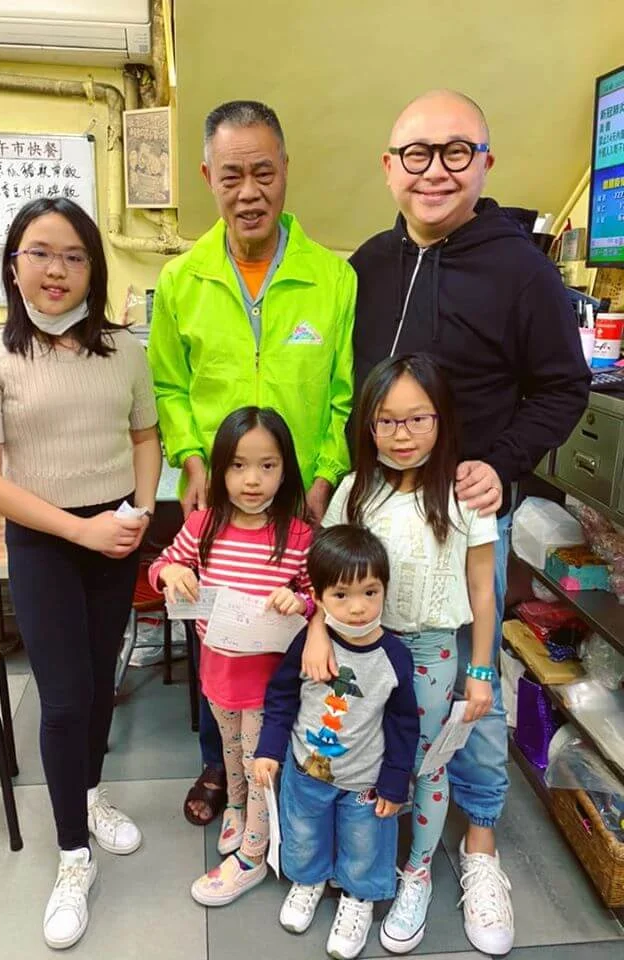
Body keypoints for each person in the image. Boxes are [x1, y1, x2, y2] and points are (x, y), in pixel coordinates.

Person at [314, 89, 592, 955]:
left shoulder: (521, 271)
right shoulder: (368, 264)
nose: (434, 170)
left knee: (473, 688)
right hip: (375, 522)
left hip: (466, 521)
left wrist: (498, 463)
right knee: (374, 672)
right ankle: (379, 823)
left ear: (485, 163)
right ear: (388, 167)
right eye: (416, 153)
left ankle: (478, 847)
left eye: (455, 151)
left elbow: (564, 387)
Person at [0, 197, 162, 950]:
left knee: (102, 681)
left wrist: (139, 511)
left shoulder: (123, 349)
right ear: (13, 265)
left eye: (74, 256)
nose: (57, 269)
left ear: (93, 269)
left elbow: (146, 436)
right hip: (46, 543)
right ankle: (74, 854)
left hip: (115, 535)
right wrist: (81, 529)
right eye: (39, 252)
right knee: (65, 698)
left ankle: (92, 793)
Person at [148, 99, 356, 827]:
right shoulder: (183, 280)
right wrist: (189, 458)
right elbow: (169, 386)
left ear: (286, 171)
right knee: (220, 637)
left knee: (297, 625)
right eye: (232, 176)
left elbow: (343, 395)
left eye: (263, 173)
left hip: (301, 501)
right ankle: (220, 762)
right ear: (209, 177)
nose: (249, 193)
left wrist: (323, 478)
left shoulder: (332, 278)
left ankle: (293, 763)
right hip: (219, 502)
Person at [318, 354, 497, 953]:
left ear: (442, 419)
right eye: (387, 421)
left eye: (418, 419)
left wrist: (479, 671)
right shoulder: (354, 491)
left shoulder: (466, 496)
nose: (402, 435)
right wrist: (318, 631)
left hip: (428, 652)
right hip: (358, 649)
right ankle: (361, 866)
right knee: (358, 752)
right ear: (368, 425)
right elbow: (326, 574)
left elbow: (482, 590)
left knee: (425, 763)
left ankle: (416, 872)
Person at [148, 406, 313, 906]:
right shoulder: (203, 525)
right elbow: (162, 564)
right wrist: (171, 573)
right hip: (217, 671)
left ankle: (253, 856)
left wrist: (300, 601)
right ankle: (236, 809)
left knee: (259, 760)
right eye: (238, 466)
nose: (252, 480)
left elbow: (317, 596)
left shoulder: (298, 535)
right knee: (230, 748)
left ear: (285, 469)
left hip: (268, 681)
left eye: (267, 465)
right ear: (220, 469)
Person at [254, 525, 419, 960]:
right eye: (342, 595)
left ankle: (358, 897)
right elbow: (282, 697)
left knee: (365, 842)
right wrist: (269, 749)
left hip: (365, 780)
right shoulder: (308, 645)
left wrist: (395, 781)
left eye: (370, 592)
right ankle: (308, 881)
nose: (358, 607)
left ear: (385, 590)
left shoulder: (395, 657)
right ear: (319, 597)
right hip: (306, 769)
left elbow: (404, 724)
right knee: (303, 832)